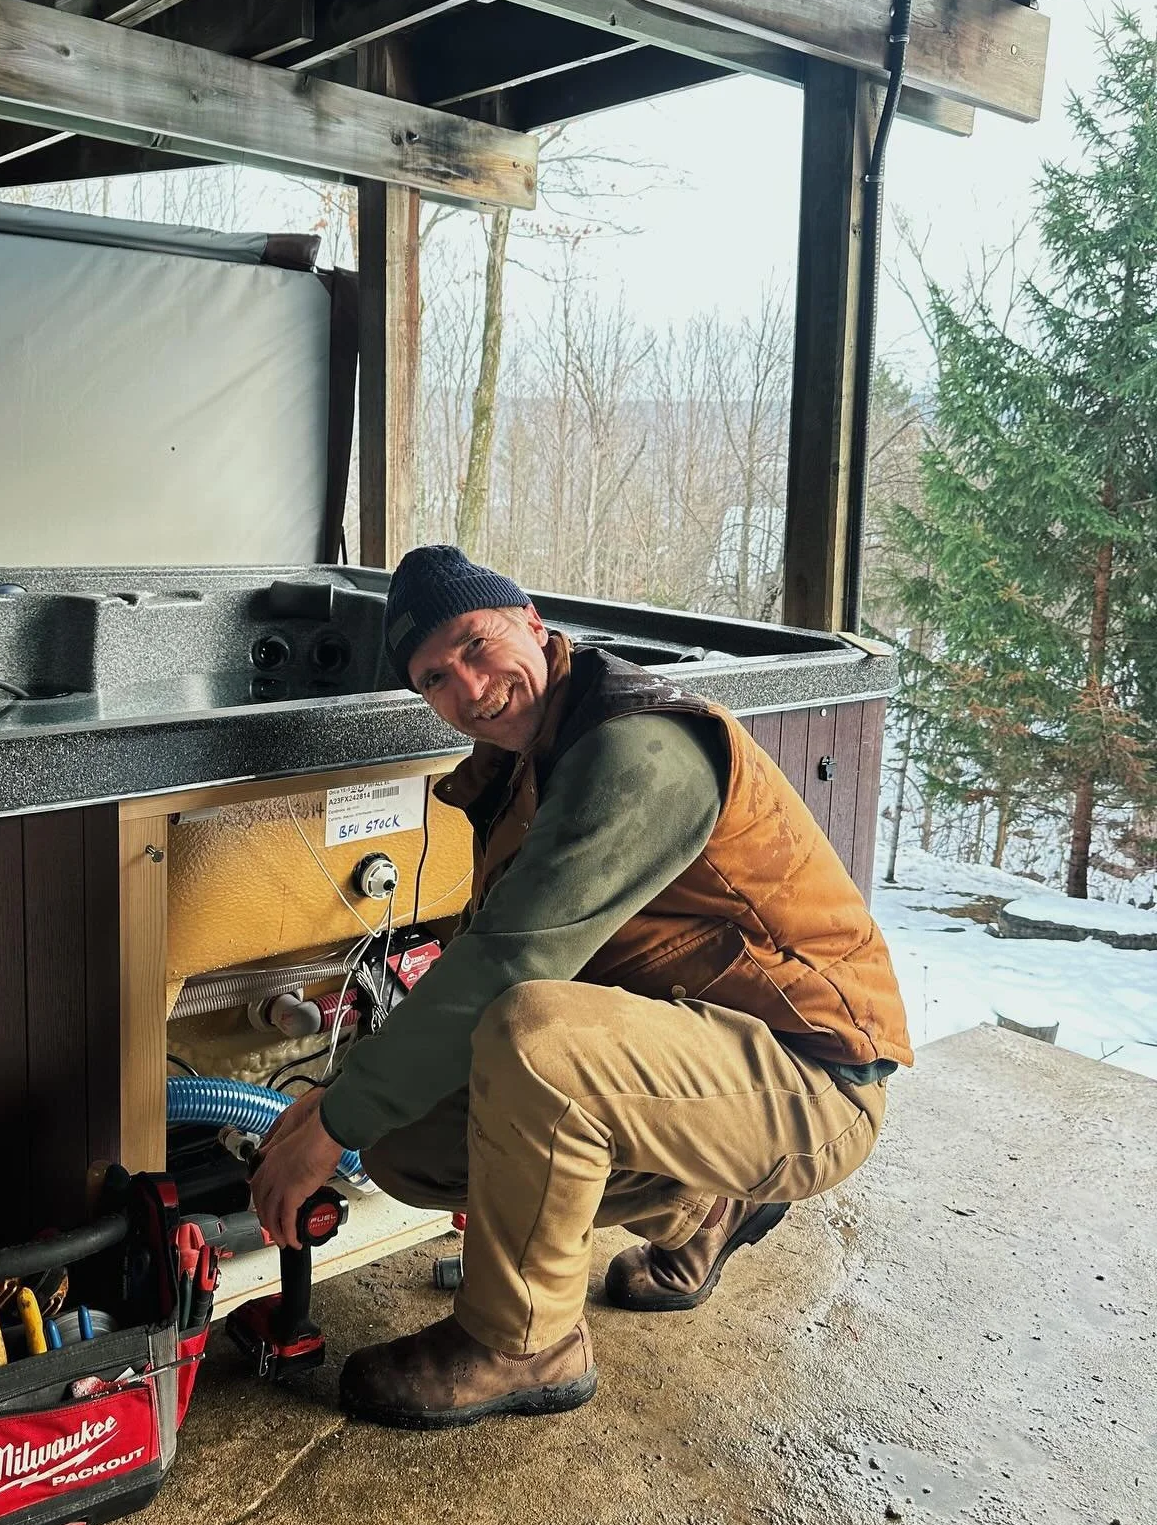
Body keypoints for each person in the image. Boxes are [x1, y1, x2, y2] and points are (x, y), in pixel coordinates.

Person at [252, 546, 911, 1429]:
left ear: (532, 620)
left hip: (814, 1080)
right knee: (408, 1142)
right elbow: (487, 956)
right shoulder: (531, 760)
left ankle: (522, 1343)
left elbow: (509, 968)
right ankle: (698, 1211)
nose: (470, 688)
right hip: (691, 1059)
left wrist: (331, 1122)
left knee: (534, 1037)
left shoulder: (638, 748)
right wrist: (358, 1108)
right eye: (435, 679)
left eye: (477, 645)